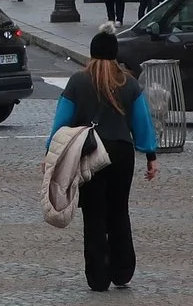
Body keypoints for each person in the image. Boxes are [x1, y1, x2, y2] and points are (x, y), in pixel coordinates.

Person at [45, 29, 160, 291]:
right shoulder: (129, 83)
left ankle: (98, 276)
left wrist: (49, 152)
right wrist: (150, 156)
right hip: (121, 152)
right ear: (115, 54)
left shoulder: (77, 81)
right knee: (119, 210)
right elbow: (142, 124)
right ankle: (123, 271)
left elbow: (61, 122)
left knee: (94, 214)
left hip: (89, 151)